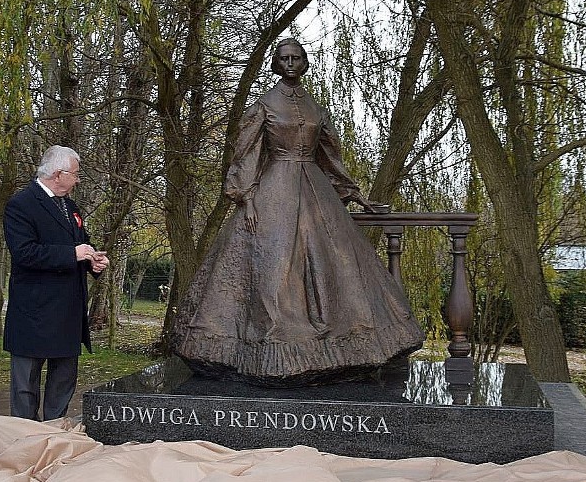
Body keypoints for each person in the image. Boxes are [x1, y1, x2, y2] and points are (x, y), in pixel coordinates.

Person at [169, 38, 423, 385]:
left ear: (304, 63)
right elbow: (247, 152)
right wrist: (244, 195)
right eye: (284, 58)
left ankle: (343, 348)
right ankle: (269, 348)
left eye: (296, 58)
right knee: (275, 267)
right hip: (275, 189)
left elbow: (329, 153)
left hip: (317, 191)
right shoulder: (265, 104)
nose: (290, 63)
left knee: (339, 264)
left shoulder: (315, 107)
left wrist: (353, 193)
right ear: (276, 64)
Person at [3, 145, 109, 420]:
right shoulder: (21, 204)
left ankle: (55, 436)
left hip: (67, 312)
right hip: (33, 312)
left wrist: (92, 261)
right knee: (26, 387)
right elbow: (24, 253)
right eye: (75, 174)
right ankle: (25, 441)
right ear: (58, 174)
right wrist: (73, 254)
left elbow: (81, 243)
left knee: (63, 381)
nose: (77, 179)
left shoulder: (69, 206)